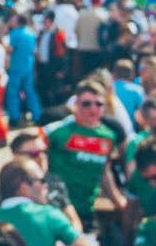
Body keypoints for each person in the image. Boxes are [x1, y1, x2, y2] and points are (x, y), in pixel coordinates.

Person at [40, 86, 127, 224]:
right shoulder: (59, 130)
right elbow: (27, 145)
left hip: (87, 207)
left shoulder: (108, 136)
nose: (93, 109)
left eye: (98, 104)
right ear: (76, 104)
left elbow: (104, 172)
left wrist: (118, 202)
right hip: (58, 208)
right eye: (86, 104)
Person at [4, 12, 42, 128]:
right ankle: (37, 115)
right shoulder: (31, 33)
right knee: (30, 92)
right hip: (28, 66)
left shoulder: (14, 34)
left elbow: (9, 49)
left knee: (12, 92)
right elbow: (35, 52)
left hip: (16, 66)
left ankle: (14, 117)